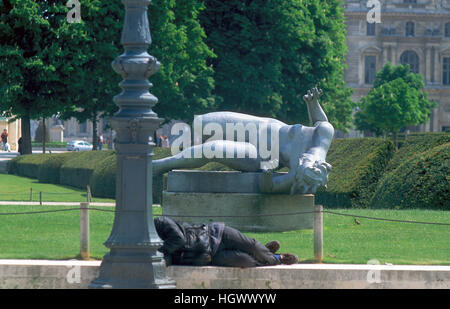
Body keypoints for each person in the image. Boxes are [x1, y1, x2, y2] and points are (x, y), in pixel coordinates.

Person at [152, 88, 334, 195]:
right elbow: (320, 122)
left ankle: (158, 165)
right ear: (321, 164)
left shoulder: (296, 175)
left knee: (212, 149)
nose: (305, 165)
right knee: (202, 123)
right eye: (310, 166)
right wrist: (312, 104)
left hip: (259, 156)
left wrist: (268, 178)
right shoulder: (324, 133)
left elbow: (269, 188)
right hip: (262, 127)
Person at [154, 216, 298, 268]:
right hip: (211, 255)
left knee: (252, 246)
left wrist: (160, 251)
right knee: (245, 261)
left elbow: (178, 240)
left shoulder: (160, 222)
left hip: (216, 234)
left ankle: (278, 258)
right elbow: (167, 259)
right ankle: (266, 252)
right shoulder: (151, 246)